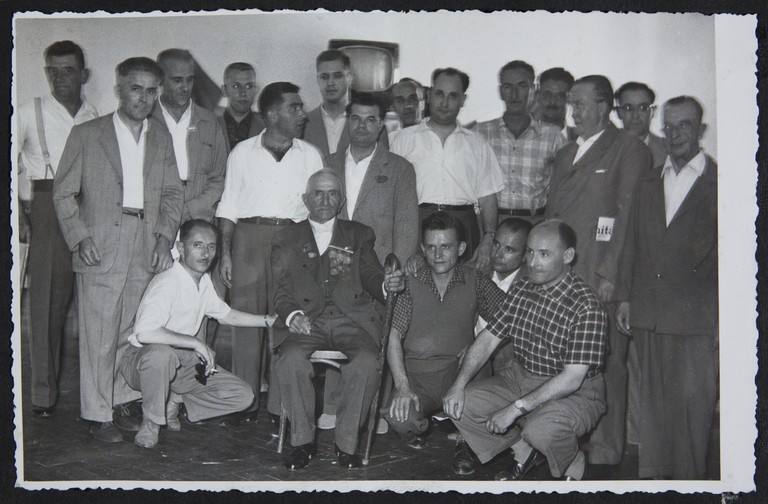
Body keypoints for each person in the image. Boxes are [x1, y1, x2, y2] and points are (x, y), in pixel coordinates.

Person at [53, 57, 183, 443]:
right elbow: (63, 192)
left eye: (150, 90)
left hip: (145, 241)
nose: (143, 97)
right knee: (99, 330)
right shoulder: (87, 133)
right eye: (135, 88)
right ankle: (96, 413)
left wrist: (163, 238)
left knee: (130, 328)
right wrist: (80, 237)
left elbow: (174, 193)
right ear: (118, 90)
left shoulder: (160, 137)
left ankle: (122, 399)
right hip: (101, 243)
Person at [443, 220, 607, 481]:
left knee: (541, 428)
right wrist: (459, 384)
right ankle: (523, 450)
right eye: (529, 252)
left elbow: (572, 379)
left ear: (568, 256)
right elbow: (488, 338)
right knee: (460, 405)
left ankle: (572, 459)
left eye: (544, 254)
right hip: (521, 377)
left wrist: (516, 408)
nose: (532, 262)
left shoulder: (586, 305)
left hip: (574, 391)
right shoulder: (522, 288)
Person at [545, 75, 652, 465]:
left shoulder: (628, 150)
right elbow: (551, 216)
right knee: (562, 360)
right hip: (561, 275)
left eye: (581, 103)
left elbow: (625, 217)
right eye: (571, 103)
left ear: (605, 107)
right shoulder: (564, 154)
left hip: (599, 274)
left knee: (606, 361)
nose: (573, 111)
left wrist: (611, 275)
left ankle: (606, 449)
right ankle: (564, 440)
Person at [271, 170, 405, 470]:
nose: (325, 199)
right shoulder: (286, 237)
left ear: (342, 200)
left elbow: (371, 274)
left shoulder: (359, 234)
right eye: (318, 192)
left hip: (351, 318)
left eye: (332, 193)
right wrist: (292, 315)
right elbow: (279, 288)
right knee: (291, 359)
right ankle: (303, 442)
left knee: (369, 362)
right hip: (307, 321)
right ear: (306, 199)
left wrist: (386, 285)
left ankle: (346, 445)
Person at [616, 96, 718, 479]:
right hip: (649, 312)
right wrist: (626, 297)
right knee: (654, 412)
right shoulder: (649, 180)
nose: (675, 134)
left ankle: (691, 486)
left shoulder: (717, 182)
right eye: (669, 126)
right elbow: (632, 245)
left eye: (685, 125)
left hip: (695, 318)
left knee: (693, 408)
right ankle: (657, 487)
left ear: (700, 130)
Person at [215, 82, 323, 422]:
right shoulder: (242, 153)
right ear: (273, 113)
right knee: (246, 323)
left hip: (292, 240)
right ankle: (244, 400)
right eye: (294, 108)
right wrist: (226, 253)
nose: (302, 114)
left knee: (287, 320)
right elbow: (228, 206)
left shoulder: (310, 155)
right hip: (248, 239)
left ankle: (281, 404)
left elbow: (316, 211)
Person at [120, 219, 277, 449]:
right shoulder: (168, 282)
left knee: (243, 396)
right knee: (162, 355)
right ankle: (151, 422)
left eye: (212, 247)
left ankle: (175, 399)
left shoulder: (202, 281)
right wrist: (195, 342)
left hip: (182, 362)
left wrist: (267, 321)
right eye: (198, 245)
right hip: (143, 360)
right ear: (181, 248)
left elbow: (225, 314)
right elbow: (145, 332)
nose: (206, 254)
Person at [322, 92, 419, 431]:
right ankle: (333, 407)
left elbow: (407, 226)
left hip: (379, 268)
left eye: (370, 120)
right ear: (346, 122)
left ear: (381, 126)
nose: (362, 126)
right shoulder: (329, 162)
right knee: (336, 327)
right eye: (355, 119)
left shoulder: (399, 168)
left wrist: (398, 270)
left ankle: (376, 409)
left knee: (377, 335)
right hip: (335, 263)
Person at [16, 40, 99, 417]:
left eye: (67, 70)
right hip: (47, 207)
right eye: (52, 70)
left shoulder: (94, 114)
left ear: (83, 75)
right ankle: (43, 396)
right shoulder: (28, 112)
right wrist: (17, 212)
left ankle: (96, 394)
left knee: (96, 304)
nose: (59, 77)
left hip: (90, 207)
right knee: (45, 304)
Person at [383, 211, 505, 449]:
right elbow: (393, 336)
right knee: (401, 420)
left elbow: (511, 319)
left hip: (460, 372)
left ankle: (468, 438)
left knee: (478, 360)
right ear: (422, 249)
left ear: (460, 248)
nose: (438, 255)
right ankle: (430, 424)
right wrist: (402, 386)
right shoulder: (409, 283)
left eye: (446, 247)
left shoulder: (476, 280)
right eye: (431, 247)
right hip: (419, 377)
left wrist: (479, 345)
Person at [391, 67, 504, 270]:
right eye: (439, 94)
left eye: (453, 96)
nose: (444, 103)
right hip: (417, 224)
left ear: (462, 100)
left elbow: (488, 198)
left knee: (462, 295)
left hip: (464, 226)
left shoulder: (477, 143)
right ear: (429, 94)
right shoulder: (403, 140)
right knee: (417, 293)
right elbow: (391, 195)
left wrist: (488, 238)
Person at [475, 61, 566, 224]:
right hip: (491, 223)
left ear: (533, 91)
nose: (514, 94)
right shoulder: (481, 133)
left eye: (522, 86)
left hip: (535, 224)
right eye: (508, 87)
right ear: (501, 92)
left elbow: (564, 189)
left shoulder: (553, 137)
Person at [155, 49, 227, 224]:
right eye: (177, 80)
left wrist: (191, 209)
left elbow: (219, 177)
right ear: (161, 79)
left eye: (190, 79)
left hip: (199, 220)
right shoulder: (146, 120)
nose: (185, 87)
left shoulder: (210, 121)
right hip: (156, 219)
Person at [473, 218, 532, 374]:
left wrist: (476, 352)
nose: (498, 254)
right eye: (496, 244)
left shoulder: (532, 288)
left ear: (526, 255)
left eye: (509, 250)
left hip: (507, 370)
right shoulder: (475, 272)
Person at [302, 50, 353, 159]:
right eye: (324, 77)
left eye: (337, 76)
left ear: (349, 78)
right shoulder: (303, 123)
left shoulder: (367, 122)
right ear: (317, 80)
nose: (330, 83)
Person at [614, 81, 667, 167]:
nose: (635, 115)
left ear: (652, 111)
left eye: (643, 108)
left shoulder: (668, 150)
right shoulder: (604, 149)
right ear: (618, 112)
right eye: (628, 108)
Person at [215, 62, 266, 151]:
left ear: (256, 90)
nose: (243, 93)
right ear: (224, 90)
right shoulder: (210, 125)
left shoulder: (267, 127)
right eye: (236, 86)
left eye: (249, 86)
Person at [533, 67, 576, 142]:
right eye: (547, 94)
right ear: (537, 96)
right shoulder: (522, 138)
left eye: (560, 96)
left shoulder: (581, 140)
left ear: (569, 99)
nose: (552, 101)